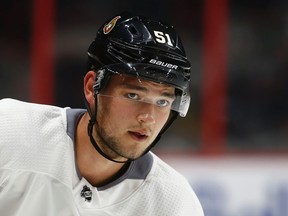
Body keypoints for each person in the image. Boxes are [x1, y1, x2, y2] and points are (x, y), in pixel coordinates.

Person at [0, 12, 204, 216]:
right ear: (92, 87)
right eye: (133, 95)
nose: (148, 117)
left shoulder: (173, 203)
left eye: (162, 101)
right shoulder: (9, 131)